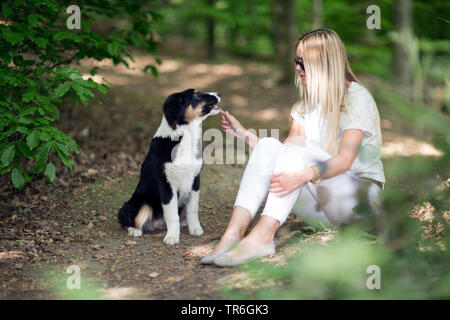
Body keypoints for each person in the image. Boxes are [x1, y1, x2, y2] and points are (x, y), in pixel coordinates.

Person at [201, 29, 385, 267]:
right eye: (296, 61)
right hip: (322, 207)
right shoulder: (304, 105)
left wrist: (302, 175)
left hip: (359, 201)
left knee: (298, 147)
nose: (298, 68)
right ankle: (233, 235)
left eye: (303, 63)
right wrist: (244, 135)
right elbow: (284, 154)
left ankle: (262, 236)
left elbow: (345, 160)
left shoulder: (355, 97)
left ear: (324, 63)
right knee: (269, 144)